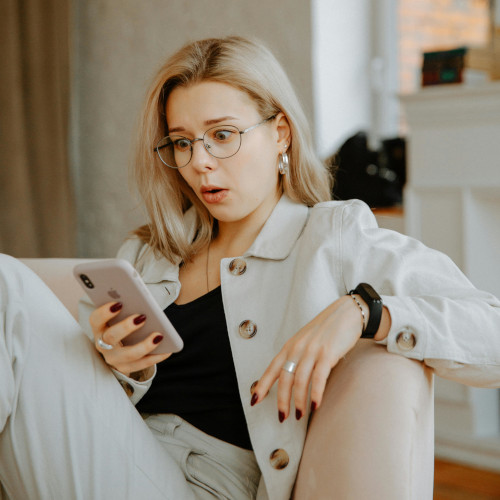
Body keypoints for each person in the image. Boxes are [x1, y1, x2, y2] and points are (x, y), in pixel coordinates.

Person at [1, 36, 500, 500]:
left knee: (7, 286)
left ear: (280, 133)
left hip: (203, 485)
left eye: (222, 135)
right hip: (114, 455)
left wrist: (362, 312)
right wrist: (117, 365)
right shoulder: (148, 253)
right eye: (182, 142)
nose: (200, 162)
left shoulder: (333, 237)